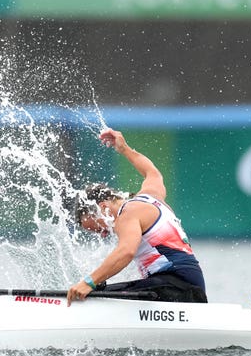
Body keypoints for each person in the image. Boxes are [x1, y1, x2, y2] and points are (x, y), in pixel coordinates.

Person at [67, 128, 207, 306]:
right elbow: (152, 173)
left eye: (99, 228)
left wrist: (88, 282)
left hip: (176, 288)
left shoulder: (128, 213)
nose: (103, 234)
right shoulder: (151, 195)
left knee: (93, 296)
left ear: (103, 208)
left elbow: (126, 251)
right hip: (190, 285)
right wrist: (125, 149)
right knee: (101, 290)